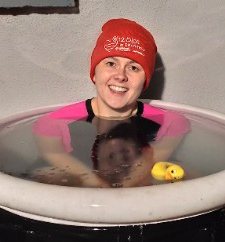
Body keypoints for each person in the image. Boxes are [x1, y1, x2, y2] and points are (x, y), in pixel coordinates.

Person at [32, 18, 190, 188]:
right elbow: (53, 155)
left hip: (136, 193)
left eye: (133, 68)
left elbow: (153, 158)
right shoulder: (55, 124)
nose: (120, 76)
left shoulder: (170, 124)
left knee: (188, 174)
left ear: (145, 81)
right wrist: (92, 181)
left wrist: (125, 186)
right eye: (111, 63)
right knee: (47, 175)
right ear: (94, 74)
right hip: (81, 195)